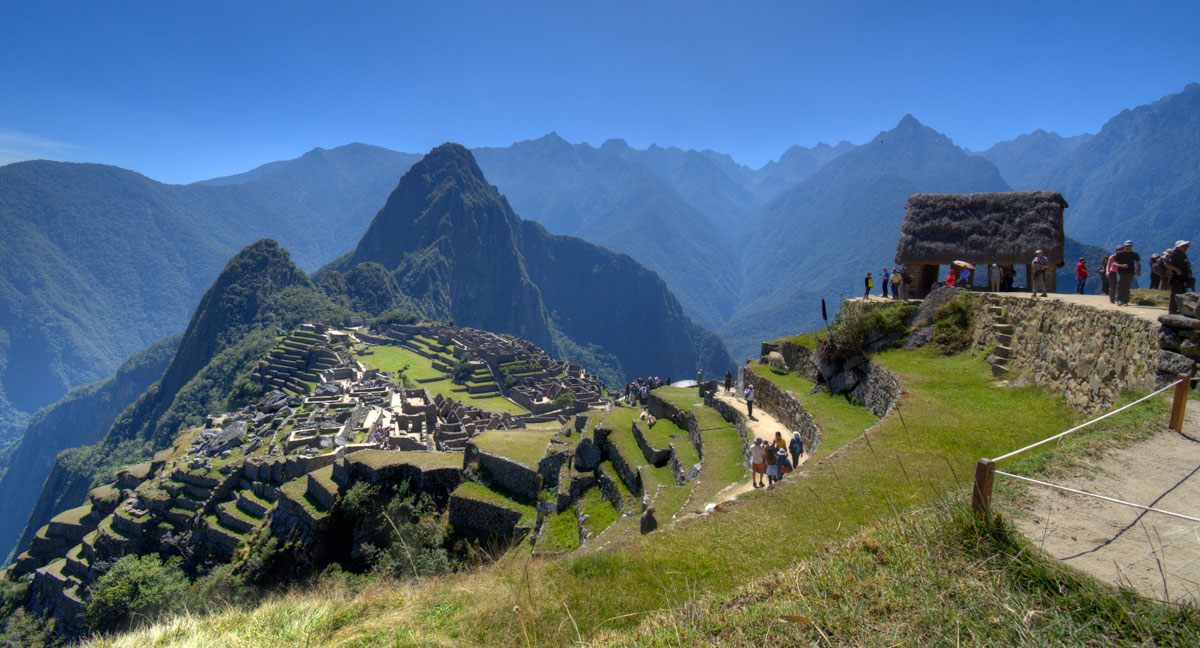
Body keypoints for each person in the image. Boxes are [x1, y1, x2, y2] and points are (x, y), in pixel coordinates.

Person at [1166, 240, 1192, 315]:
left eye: (1186, 246)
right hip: (1176, 278)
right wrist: (1177, 270)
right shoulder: (1174, 254)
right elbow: (1167, 263)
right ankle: (1172, 310)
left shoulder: (1183, 255)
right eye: (1184, 246)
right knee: (1175, 294)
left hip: (1184, 278)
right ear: (1178, 247)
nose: (1186, 248)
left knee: (1183, 294)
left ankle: (1180, 309)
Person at [1112, 240, 1141, 306]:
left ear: (1132, 246)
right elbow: (1113, 263)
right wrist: (1121, 266)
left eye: (1130, 245)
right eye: (1127, 245)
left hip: (1130, 272)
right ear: (1124, 246)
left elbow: (1138, 263)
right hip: (1121, 271)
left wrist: (1138, 270)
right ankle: (1119, 300)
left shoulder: (1134, 254)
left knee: (1127, 287)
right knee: (1120, 285)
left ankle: (1125, 301)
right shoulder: (1120, 254)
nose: (1129, 247)